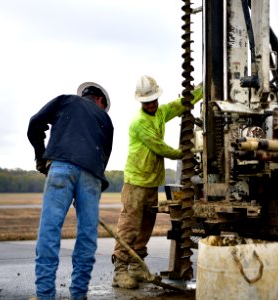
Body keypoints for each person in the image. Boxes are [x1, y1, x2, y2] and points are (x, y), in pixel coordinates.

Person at [111, 75, 203, 289]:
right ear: (141, 102)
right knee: (129, 226)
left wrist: (200, 91)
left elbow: (179, 105)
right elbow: (160, 148)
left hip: (152, 182)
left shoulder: (160, 112)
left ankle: (136, 267)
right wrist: (184, 153)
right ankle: (120, 271)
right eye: (147, 102)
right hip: (136, 182)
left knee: (145, 227)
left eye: (154, 100)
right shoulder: (139, 122)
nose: (152, 105)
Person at [27, 82, 114, 300]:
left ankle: (45, 295)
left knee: (49, 231)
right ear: (101, 101)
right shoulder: (106, 119)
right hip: (92, 176)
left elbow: (35, 123)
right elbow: (104, 156)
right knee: (87, 236)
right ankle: (79, 294)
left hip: (61, 167)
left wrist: (41, 155)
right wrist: (87, 190)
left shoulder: (66, 100)